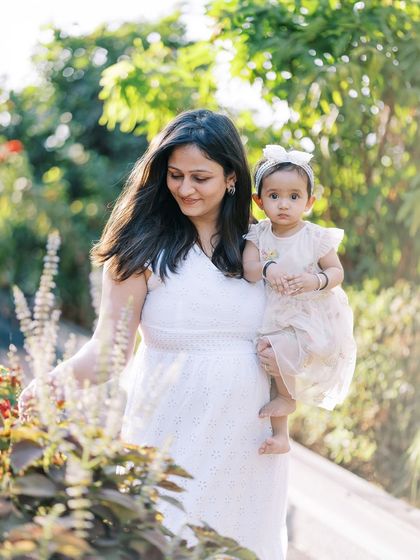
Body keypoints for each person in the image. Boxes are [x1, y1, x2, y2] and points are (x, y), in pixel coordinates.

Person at [19, 111, 289, 559]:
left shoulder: (261, 246)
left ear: (232, 179)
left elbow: (296, 330)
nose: (185, 188)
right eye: (175, 175)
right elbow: (109, 352)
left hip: (250, 440)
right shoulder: (141, 250)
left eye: (200, 177)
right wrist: (49, 385)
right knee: (169, 539)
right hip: (171, 432)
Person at [243, 144, 357, 455]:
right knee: (269, 365)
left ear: (309, 202)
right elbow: (250, 270)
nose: (284, 204)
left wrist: (315, 280)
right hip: (276, 311)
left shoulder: (315, 237)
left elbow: (336, 271)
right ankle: (281, 435)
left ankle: (287, 401)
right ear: (259, 201)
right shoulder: (258, 236)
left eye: (294, 197)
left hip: (310, 314)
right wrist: (268, 267)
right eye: (274, 196)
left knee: (274, 355)